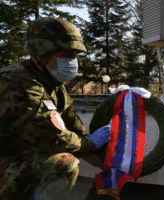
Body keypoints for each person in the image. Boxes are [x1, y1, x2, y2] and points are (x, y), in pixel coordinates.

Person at [0, 17, 110, 200]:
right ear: (40, 55)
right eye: (66, 56)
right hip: (6, 161)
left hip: (18, 160)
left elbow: (74, 128)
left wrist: (109, 162)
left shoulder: (52, 83)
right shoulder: (17, 83)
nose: (72, 62)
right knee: (64, 164)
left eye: (75, 56)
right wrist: (90, 144)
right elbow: (53, 137)